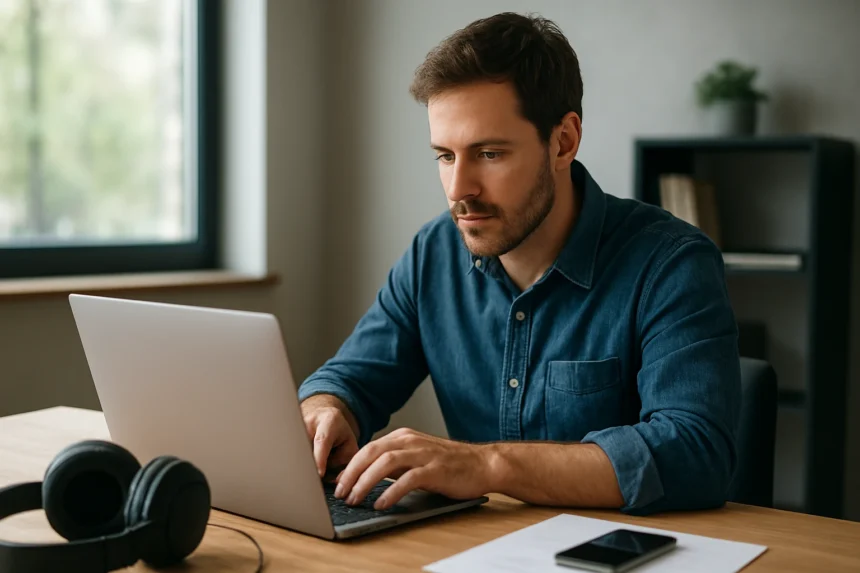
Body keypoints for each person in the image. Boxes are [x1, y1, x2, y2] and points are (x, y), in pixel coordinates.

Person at [298, 12, 741, 516]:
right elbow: (350, 378)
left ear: (563, 142)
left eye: (488, 153)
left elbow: (695, 452)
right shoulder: (434, 253)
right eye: (445, 156)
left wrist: (488, 465)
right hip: (477, 546)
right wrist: (326, 410)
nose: (459, 189)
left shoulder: (671, 263)